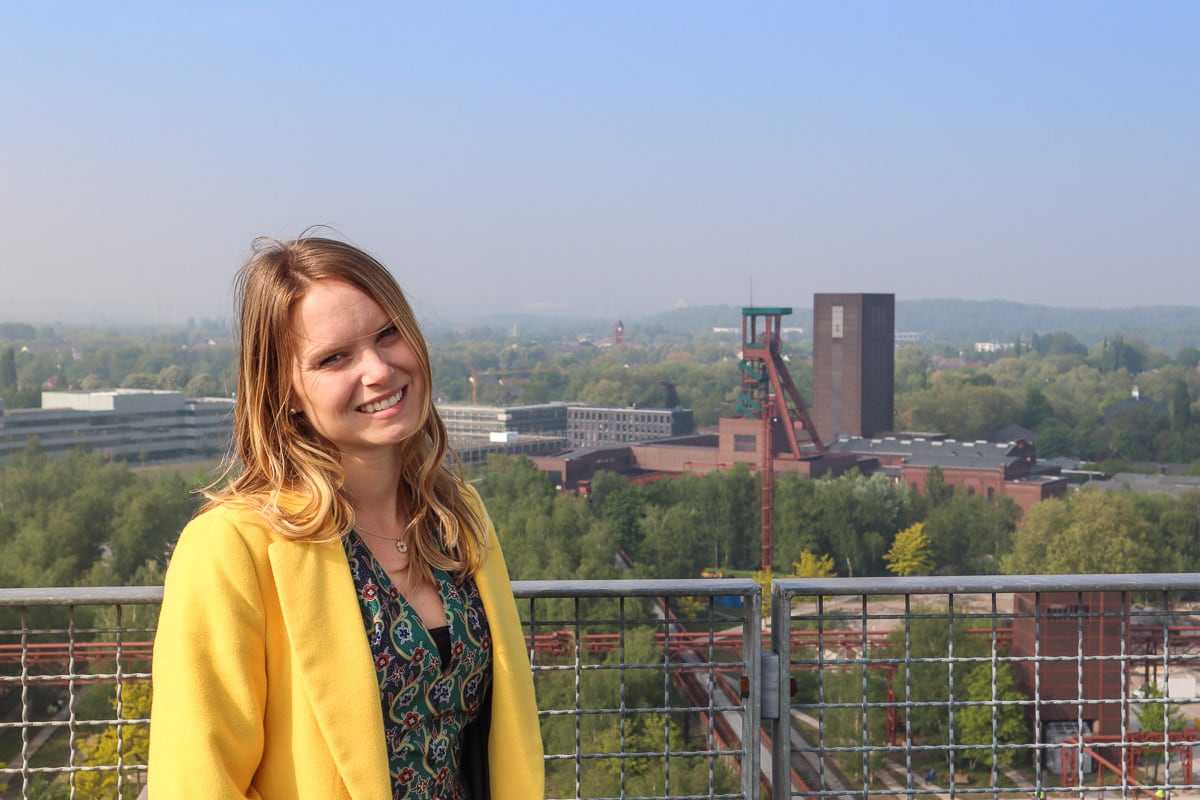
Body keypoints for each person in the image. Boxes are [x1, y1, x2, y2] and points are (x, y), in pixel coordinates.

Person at [148, 235, 544, 799]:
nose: (379, 370)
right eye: (334, 358)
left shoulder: (457, 516)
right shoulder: (233, 547)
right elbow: (197, 782)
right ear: (284, 389)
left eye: (387, 334)